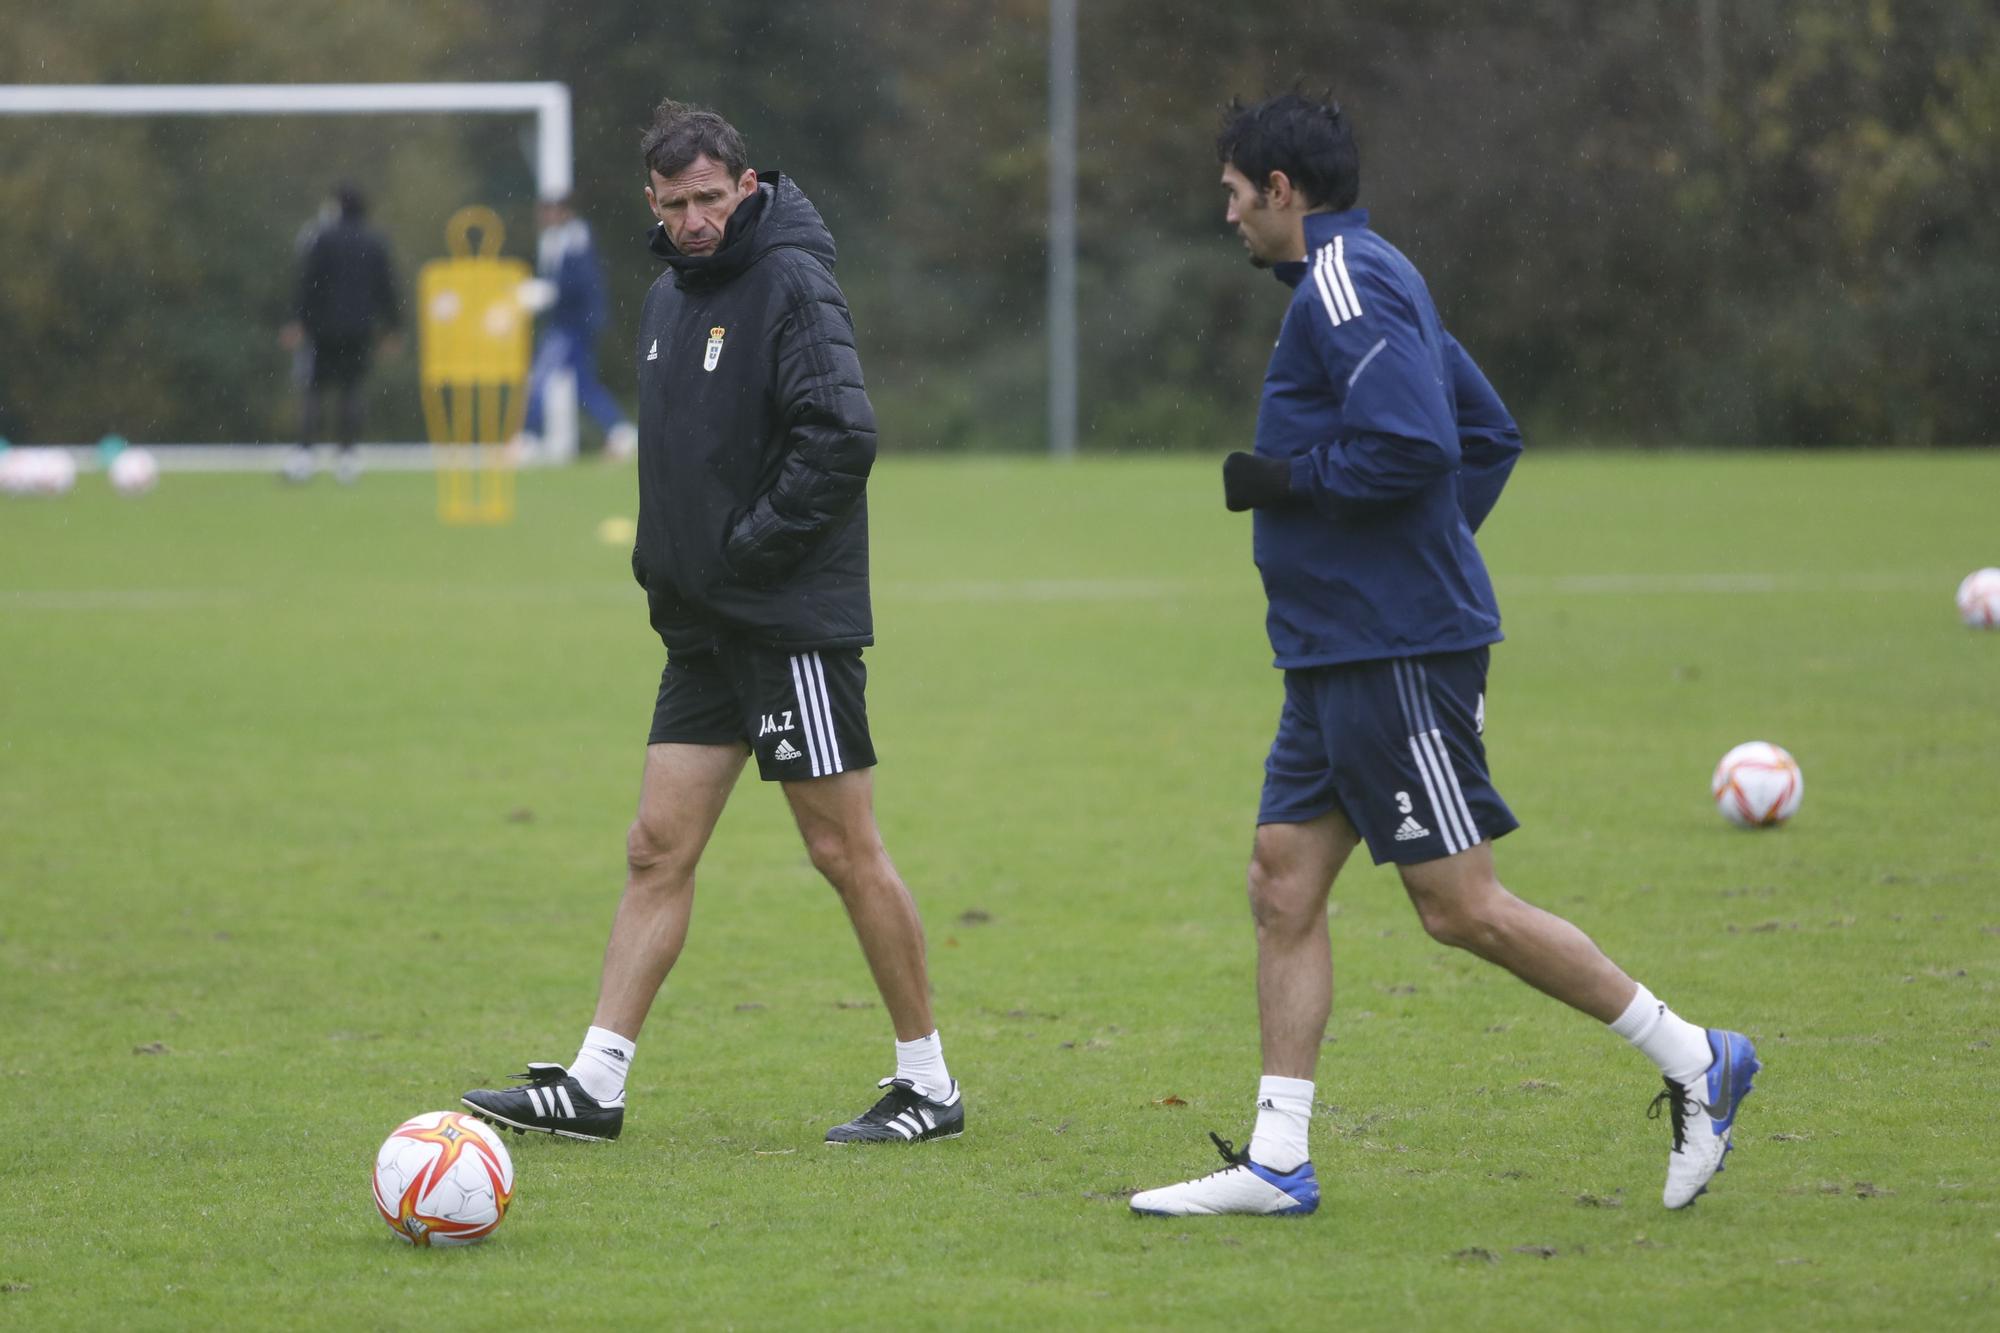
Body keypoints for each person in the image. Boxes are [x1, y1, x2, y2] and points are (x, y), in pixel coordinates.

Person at [1129, 92, 1758, 1217]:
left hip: (1391, 650)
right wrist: (1406, 553)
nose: (1222, 215)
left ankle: (1697, 1057)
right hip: (1338, 648)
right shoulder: (1370, 274)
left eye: (1231, 194)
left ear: (1282, 191)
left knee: (1457, 904)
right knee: (1281, 880)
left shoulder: (1346, 281)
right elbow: (1488, 433)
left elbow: (1417, 444)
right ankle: (1277, 1161)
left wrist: (1298, 489)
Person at [461, 100, 963, 1147]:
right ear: (650, 200)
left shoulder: (789, 280)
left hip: (784, 623)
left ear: (743, 185)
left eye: (710, 198)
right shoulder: (666, 300)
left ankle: (928, 1082)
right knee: (655, 847)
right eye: (674, 202)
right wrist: (677, 569)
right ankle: (597, 1080)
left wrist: (746, 553)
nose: (695, 219)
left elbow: (840, 436)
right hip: (702, 632)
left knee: (841, 850)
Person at [280, 184, 401, 484]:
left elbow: (309, 283)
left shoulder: (323, 239)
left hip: (323, 328)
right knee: (351, 390)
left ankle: (305, 456)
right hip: (360, 328)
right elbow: (386, 287)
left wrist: (298, 321)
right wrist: (392, 328)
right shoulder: (375, 242)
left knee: (314, 390)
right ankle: (347, 458)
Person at [516, 195, 638, 461]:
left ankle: (528, 437)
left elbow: (579, 283)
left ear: (561, 212)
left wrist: (548, 292)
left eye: (547, 213)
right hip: (574, 323)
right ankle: (619, 431)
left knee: (540, 378)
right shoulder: (566, 238)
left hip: (572, 325)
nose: (543, 220)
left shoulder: (574, 238)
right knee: (584, 384)